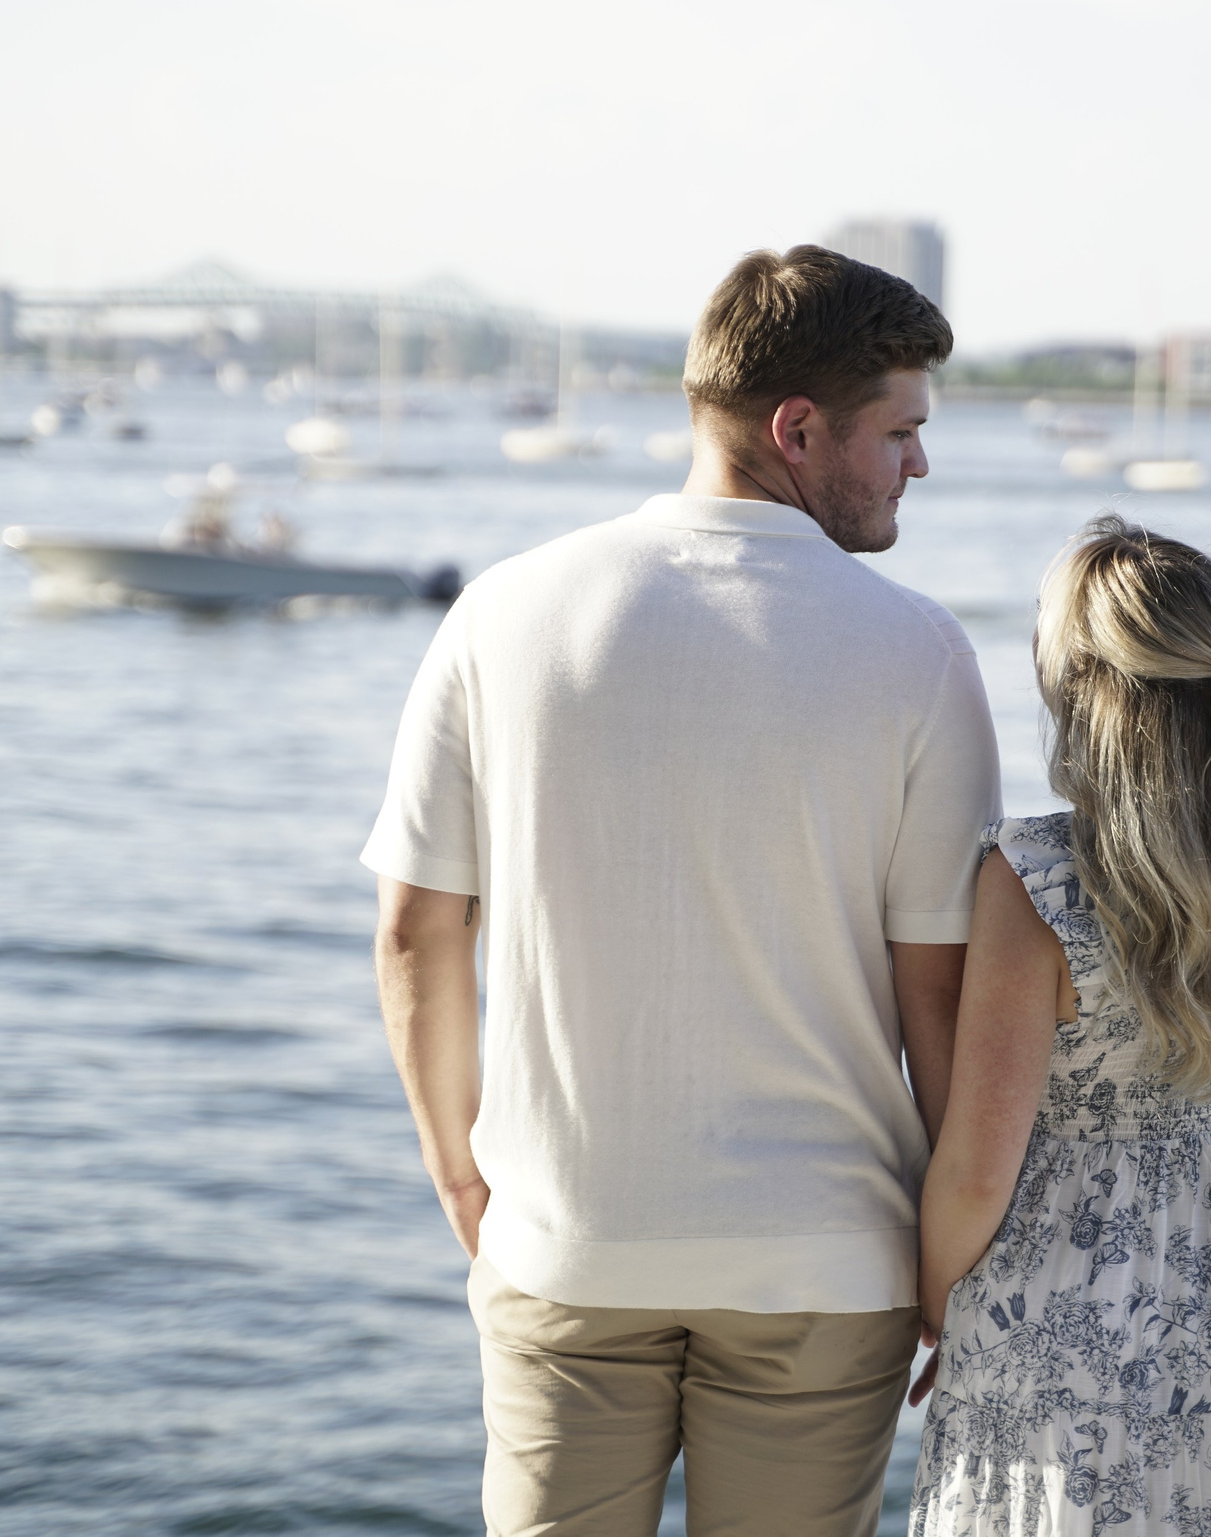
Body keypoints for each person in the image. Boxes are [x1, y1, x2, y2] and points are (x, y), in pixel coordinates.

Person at [360, 245, 1001, 1537]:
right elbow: (939, 1000)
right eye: (901, 432)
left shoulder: (502, 614)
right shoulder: (921, 654)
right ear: (799, 429)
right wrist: (955, 1270)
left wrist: (463, 1180)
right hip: (821, 1268)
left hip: (566, 1244)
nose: (918, 466)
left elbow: (418, 932)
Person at [908, 516, 1211, 1536]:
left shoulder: (1038, 882)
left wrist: (935, 1301)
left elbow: (979, 1169)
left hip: (1060, 1331)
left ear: (1081, 692)